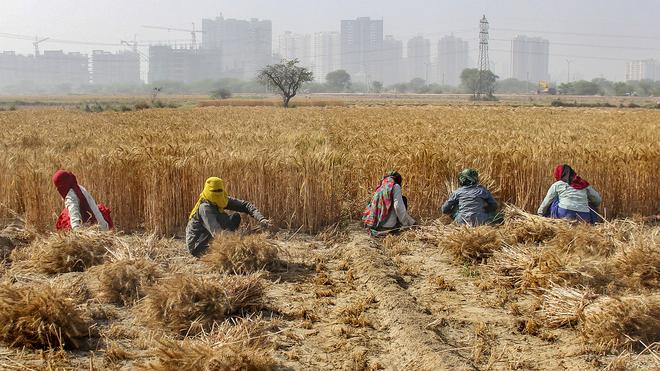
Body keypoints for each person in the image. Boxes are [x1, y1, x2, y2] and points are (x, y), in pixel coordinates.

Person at [186, 177, 272, 257]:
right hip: (198, 245)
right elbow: (217, 233)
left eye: (220, 190)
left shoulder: (221, 199)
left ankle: (228, 245)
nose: (217, 193)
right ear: (208, 191)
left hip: (212, 236)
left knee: (235, 217)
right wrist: (241, 238)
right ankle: (226, 247)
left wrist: (261, 219)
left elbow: (245, 205)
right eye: (214, 191)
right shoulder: (205, 208)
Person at [537, 164, 602, 224]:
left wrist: (540, 214)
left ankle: (554, 222)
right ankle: (593, 224)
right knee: (591, 205)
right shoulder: (584, 184)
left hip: (564, 214)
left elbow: (547, 201)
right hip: (584, 216)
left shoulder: (557, 185)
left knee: (554, 201)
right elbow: (597, 200)